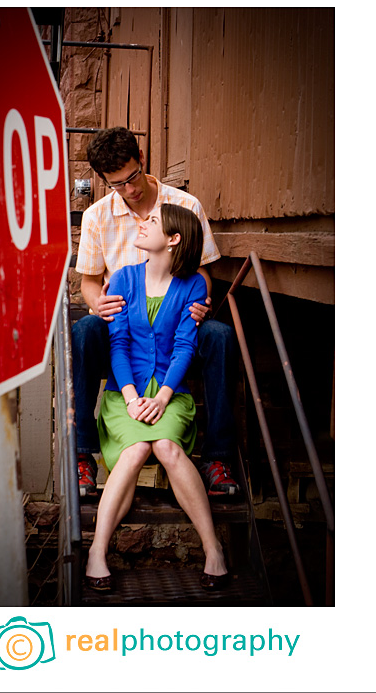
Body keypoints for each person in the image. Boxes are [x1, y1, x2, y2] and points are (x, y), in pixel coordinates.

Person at [72, 127, 239, 498]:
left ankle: (218, 457)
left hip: (175, 317)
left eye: (132, 177)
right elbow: (88, 281)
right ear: (104, 182)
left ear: (142, 159)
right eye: (117, 184)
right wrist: (97, 303)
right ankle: (82, 456)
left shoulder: (184, 205)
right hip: (122, 325)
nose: (129, 190)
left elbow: (204, 271)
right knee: (83, 332)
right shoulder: (97, 216)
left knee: (221, 336)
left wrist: (198, 302)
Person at [85, 204, 229, 592]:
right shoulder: (123, 279)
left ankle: (212, 549)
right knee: (134, 452)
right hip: (124, 394)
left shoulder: (193, 286)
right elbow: (118, 345)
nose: (141, 223)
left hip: (170, 393)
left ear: (173, 239)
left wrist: (163, 398)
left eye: (151, 222)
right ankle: (97, 550)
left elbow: (185, 346)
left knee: (166, 446)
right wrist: (131, 397)